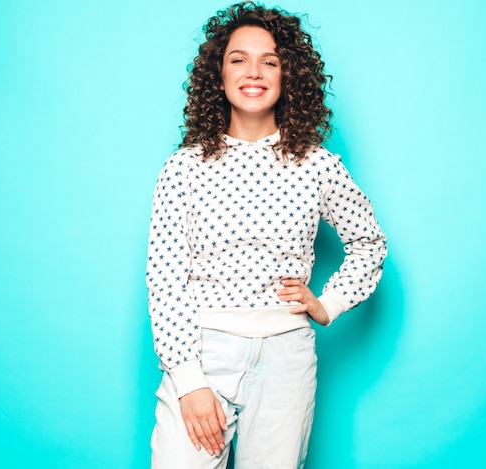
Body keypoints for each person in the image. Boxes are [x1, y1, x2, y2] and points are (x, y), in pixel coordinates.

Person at [146, 2, 387, 468]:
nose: (253, 71)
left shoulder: (318, 165)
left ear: (286, 77)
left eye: (269, 61)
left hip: (286, 360)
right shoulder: (183, 169)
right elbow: (165, 280)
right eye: (238, 59)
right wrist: (189, 380)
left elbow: (368, 244)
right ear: (217, 76)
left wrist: (328, 303)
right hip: (203, 352)